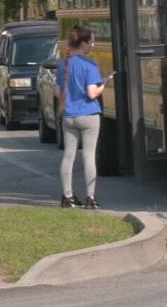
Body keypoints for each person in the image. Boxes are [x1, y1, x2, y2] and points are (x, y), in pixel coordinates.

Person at [56, 25, 112, 209]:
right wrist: (105, 82)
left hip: (69, 116)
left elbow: (58, 92)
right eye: (91, 42)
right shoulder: (90, 65)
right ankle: (90, 198)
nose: (93, 45)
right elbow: (92, 93)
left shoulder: (64, 64)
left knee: (68, 156)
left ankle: (67, 197)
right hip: (88, 115)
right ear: (83, 43)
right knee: (88, 156)